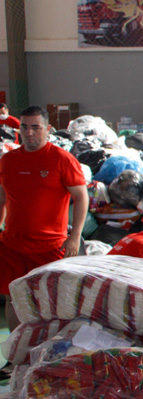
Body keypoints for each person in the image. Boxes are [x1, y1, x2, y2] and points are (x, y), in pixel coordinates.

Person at [0, 106, 88, 331]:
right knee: (14, 299)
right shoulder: (8, 161)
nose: (29, 133)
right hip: (13, 245)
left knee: (52, 303)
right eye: (24, 127)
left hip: (50, 246)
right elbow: (2, 197)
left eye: (35, 128)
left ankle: (48, 358)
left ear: (47, 129)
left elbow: (81, 197)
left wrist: (75, 236)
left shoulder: (61, 159)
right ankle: (16, 357)